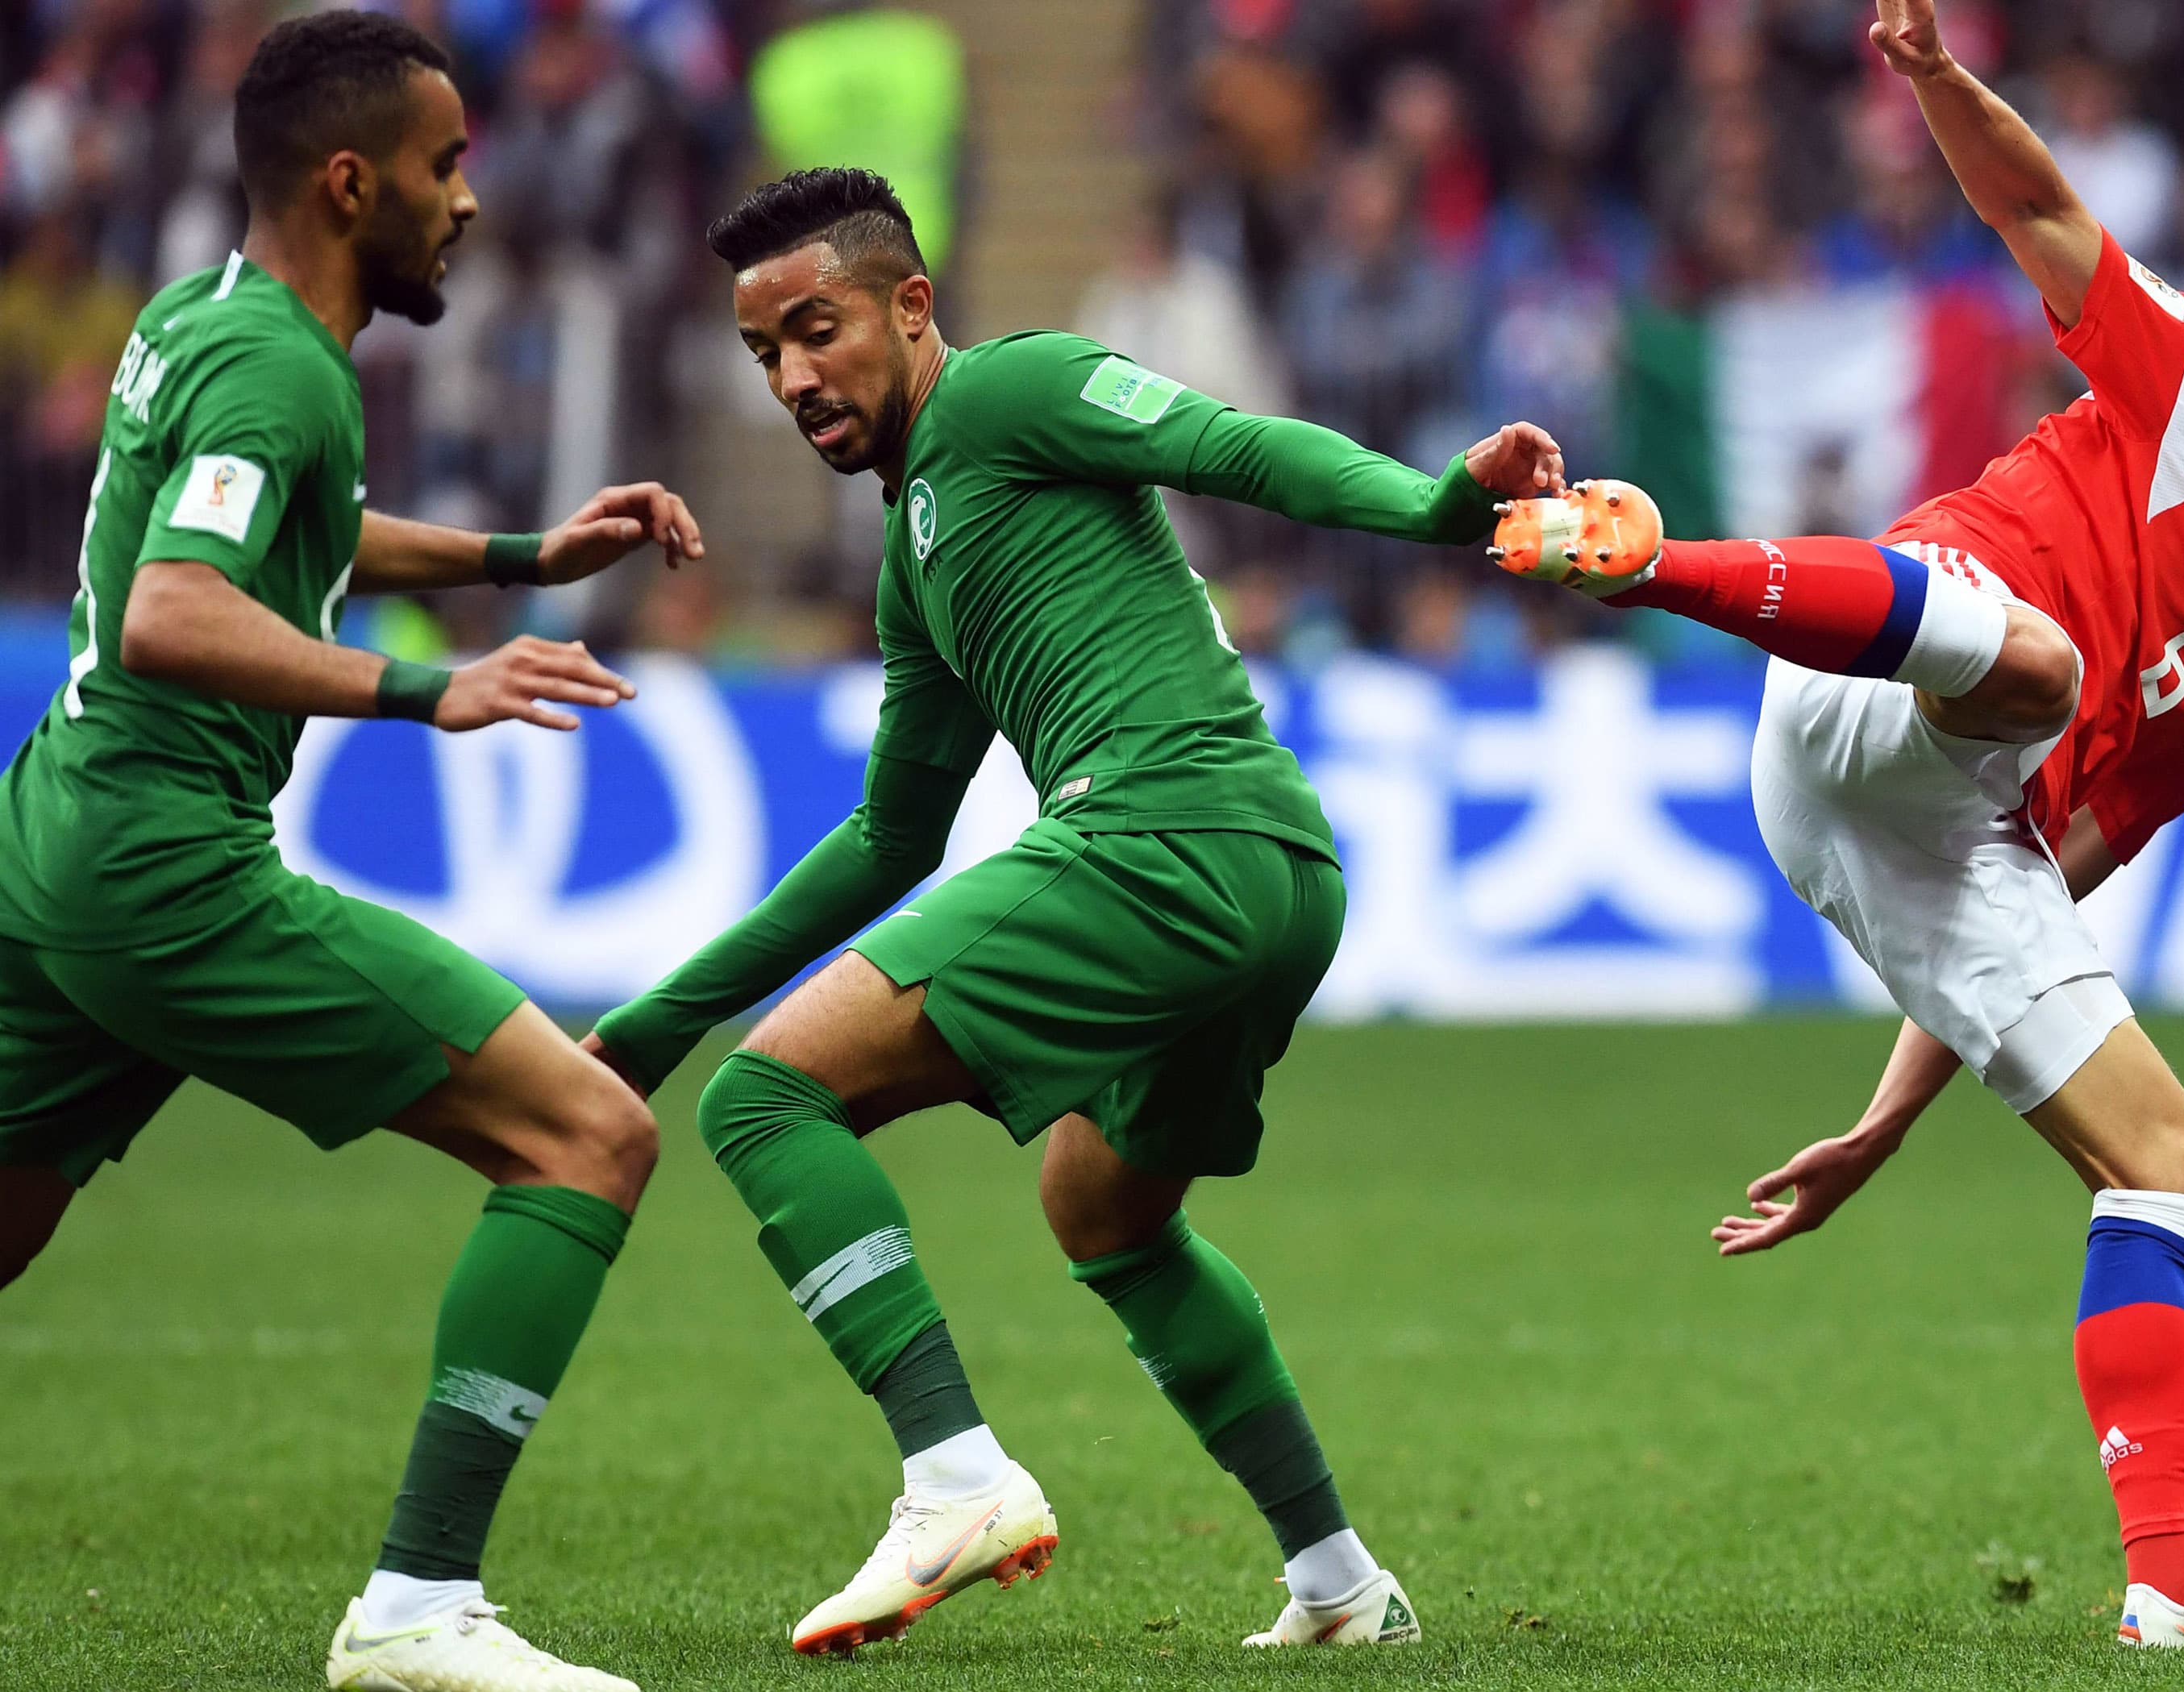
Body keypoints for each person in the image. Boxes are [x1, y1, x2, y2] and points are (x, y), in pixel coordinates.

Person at [1489, 0, 2184, 1651]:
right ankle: (1637, 558)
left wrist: (1880, 1122)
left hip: (1923, 832)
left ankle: (2172, 1578)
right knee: (2035, 658)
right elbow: (2038, 219)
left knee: (2165, 1162)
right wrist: (1940, 76)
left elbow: (2053, 875)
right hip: (1866, 671)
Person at [581, 166, 1562, 1656]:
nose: (792, 376)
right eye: (763, 351)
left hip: (1166, 829)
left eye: (817, 328)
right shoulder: (915, 571)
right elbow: (885, 840)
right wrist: (656, 1015)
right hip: (1274, 876)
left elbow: (1234, 447)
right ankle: (1342, 1585)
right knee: (1101, 1204)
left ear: (912, 307)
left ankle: (953, 1479)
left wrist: (1439, 509)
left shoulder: (1011, 391)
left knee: (768, 1104)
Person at [0, 15, 707, 1692]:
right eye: (443, 165)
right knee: (588, 1138)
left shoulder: (202, 317)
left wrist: (515, 556)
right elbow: (179, 609)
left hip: (61, 832)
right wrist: (428, 691)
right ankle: (416, 1609)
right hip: (168, 861)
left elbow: (273, 533)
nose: (467, 199)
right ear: (349, 179)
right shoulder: (281, 369)